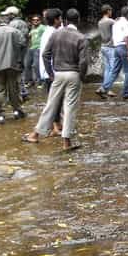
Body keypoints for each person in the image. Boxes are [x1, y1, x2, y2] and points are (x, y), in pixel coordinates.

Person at [22, 8, 88, 152]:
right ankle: (66, 143)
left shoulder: (56, 34)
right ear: (78, 20)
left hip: (58, 74)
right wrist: (82, 77)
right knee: (69, 107)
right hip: (73, 74)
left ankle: (34, 135)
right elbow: (83, 62)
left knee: (50, 105)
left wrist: (51, 73)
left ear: (65, 19)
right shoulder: (81, 37)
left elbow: (45, 54)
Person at [0, 12, 27, 124]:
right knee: (14, 89)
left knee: (0, 89)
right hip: (14, 64)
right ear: (9, 22)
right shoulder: (16, 32)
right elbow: (23, 44)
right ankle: (17, 111)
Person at [101, 6, 128, 99]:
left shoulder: (116, 23)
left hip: (116, 47)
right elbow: (126, 38)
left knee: (115, 71)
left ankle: (104, 88)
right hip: (124, 47)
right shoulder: (126, 23)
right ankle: (126, 94)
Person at [2, 6, 30, 101]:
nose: (6, 17)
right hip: (22, 50)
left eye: (7, 15)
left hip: (15, 51)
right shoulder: (23, 23)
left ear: (12, 15)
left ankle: (20, 93)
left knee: (15, 73)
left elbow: (10, 38)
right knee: (19, 71)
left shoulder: (13, 24)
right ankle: (23, 91)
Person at [95, 4, 115, 98]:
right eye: (110, 11)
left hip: (103, 47)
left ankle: (108, 89)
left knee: (107, 69)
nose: (111, 12)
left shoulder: (99, 22)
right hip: (110, 47)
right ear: (108, 11)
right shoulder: (110, 21)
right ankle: (104, 88)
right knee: (113, 69)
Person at [24, 14, 44, 88]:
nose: (35, 21)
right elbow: (29, 36)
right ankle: (29, 81)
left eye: (37, 20)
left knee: (36, 65)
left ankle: (40, 82)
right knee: (27, 64)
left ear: (40, 21)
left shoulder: (42, 27)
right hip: (31, 48)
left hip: (38, 48)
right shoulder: (32, 28)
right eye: (33, 20)